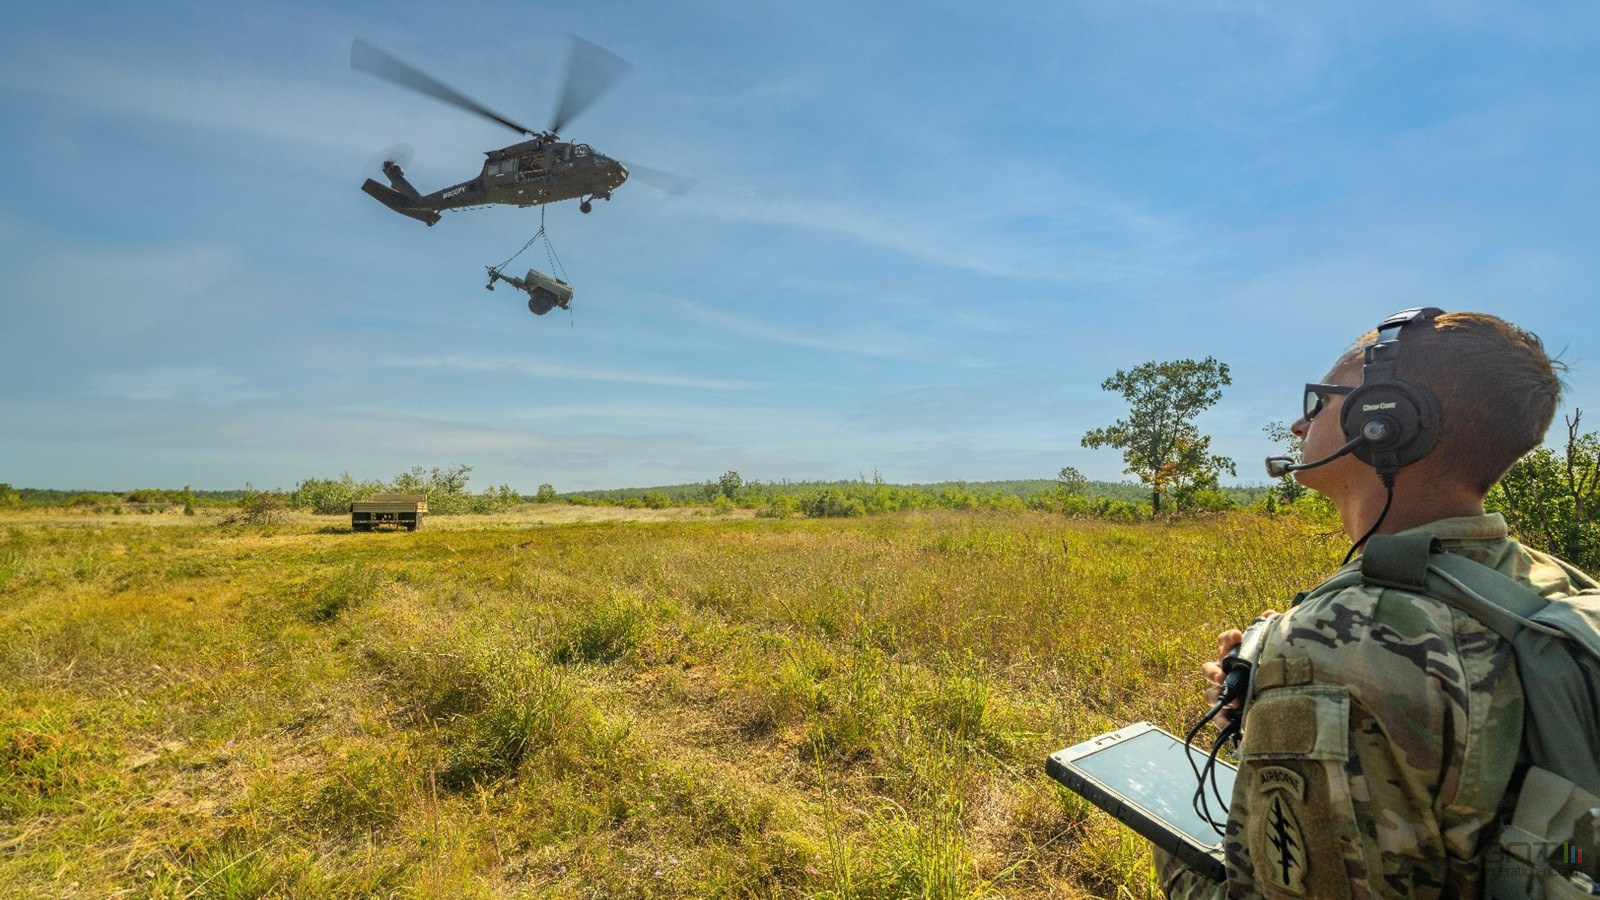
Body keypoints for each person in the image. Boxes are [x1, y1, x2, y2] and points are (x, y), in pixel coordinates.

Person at [1158, 309, 1597, 898]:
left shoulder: (1339, 642)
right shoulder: (1558, 586)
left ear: (1385, 419)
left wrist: (1169, 841)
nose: (1297, 424)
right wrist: (1265, 712)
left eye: (1320, 402)